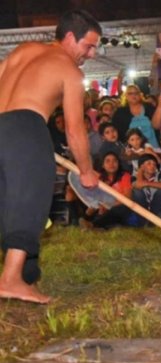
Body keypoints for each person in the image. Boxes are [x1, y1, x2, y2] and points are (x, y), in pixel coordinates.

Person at [0, 10, 101, 303]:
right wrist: (86, 171)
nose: (91, 54)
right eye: (89, 45)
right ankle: (11, 278)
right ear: (70, 37)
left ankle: (26, 272)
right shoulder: (71, 71)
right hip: (26, 127)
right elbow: (74, 129)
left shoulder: (25, 50)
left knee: (6, 200)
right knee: (30, 199)